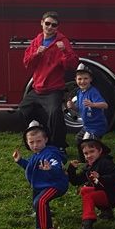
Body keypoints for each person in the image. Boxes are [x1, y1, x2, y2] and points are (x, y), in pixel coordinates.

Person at [18, 11, 78, 153]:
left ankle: (59, 146)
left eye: (54, 25)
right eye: (47, 23)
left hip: (53, 89)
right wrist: (37, 53)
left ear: (57, 27)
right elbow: (27, 63)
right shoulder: (36, 41)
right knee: (22, 110)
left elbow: (72, 64)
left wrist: (64, 52)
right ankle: (35, 138)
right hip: (37, 89)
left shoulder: (62, 42)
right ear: (42, 23)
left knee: (55, 114)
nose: (50, 27)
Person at [13, 120, 69, 229]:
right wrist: (20, 161)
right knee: (37, 197)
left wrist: (51, 169)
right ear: (27, 143)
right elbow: (31, 167)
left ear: (46, 140)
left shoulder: (50, 153)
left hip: (56, 184)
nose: (35, 145)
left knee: (41, 201)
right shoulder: (36, 154)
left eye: (38, 141)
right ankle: (40, 211)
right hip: (44, 183)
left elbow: (56, 166)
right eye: (31, 142)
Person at [67, 133, 115, 229]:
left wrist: (100, 178)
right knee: (84, 190)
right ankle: (106, 212)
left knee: (89, 196)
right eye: (86, 153)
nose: (88, 156)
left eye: (92, 152)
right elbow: (76, 181)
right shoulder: (89, 166)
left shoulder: (106, 162)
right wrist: (71, 169)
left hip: (112, 195)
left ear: (100, 151)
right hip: (102, 192)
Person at [66, 63, 109, 160]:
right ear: (76, 80)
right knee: (79, 139)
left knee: (91, 144)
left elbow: (105, 105)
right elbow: (80, 109)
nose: (82, 81)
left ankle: (99, 159)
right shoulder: (79, 92)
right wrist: (73, 107)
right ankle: (83, 160)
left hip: (97, 126)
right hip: (87, 126)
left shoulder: (93, 92)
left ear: (90, 79)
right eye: (79, 79)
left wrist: (93, 104)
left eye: (85, 78)